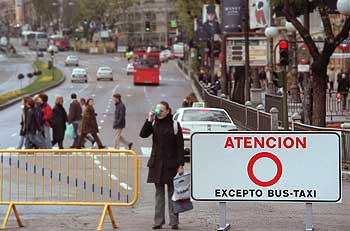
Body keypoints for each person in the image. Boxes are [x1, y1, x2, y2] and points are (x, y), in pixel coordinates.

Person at [140, 101, 185, 230]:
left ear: (167, 111)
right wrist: (149, 120)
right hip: (156, 164)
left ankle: (174, 221)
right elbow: (143, 134)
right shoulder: (154, 123)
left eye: (161, 110)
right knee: (159, 195)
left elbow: (180, 146)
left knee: (172, 194)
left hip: (171, 164)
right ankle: (158, 222)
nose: (158, 112)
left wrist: (181, 165)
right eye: (157, 109)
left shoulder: (175, 125)